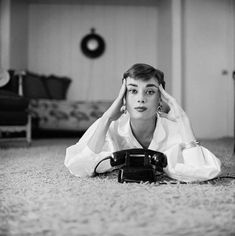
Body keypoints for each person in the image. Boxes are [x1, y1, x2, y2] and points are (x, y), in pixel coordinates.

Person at [64, 63, 221, 182]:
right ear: (123, 98)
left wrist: (183, 121)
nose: (141, 98)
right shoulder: (109, 125)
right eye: (133, 91)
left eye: (150, 91)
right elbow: (78, 167)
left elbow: (204, 171)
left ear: (160, 99)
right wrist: (106, 119)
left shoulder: (174, 129)